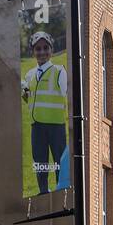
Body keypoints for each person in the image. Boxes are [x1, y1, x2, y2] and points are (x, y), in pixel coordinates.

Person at [21, 31, 68, 195]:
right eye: (38, 49)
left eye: (45, 48)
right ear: (33, 52)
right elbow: (29, 99)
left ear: (51, 50)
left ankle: (61, 192)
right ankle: (43, 192)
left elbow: (67, 95)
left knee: (59, 162)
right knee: (40, 163)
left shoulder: (59, 71)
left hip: (56, 126)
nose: (42, 52)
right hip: (37, 126)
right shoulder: (29, 75)